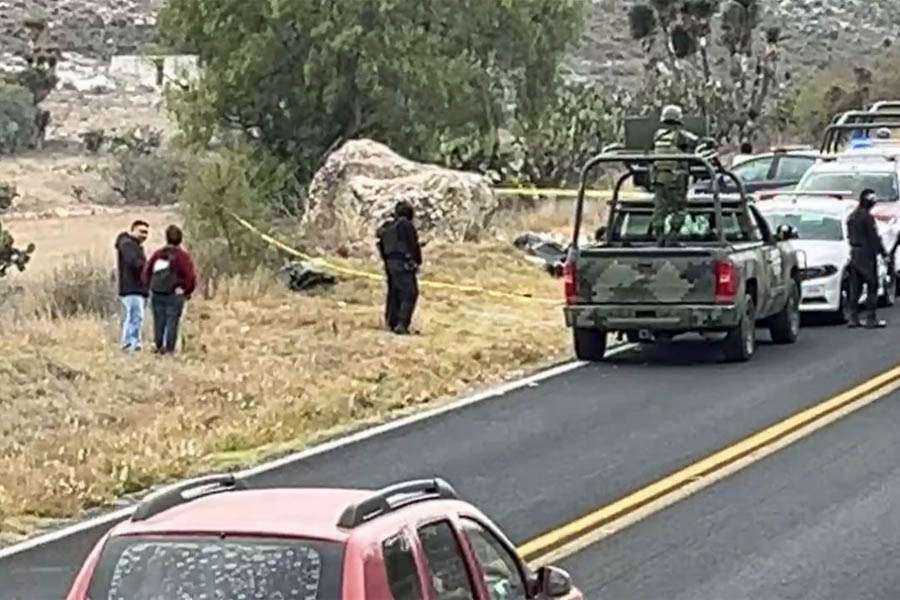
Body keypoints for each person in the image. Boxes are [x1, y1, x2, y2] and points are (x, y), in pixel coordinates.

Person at [142, 225, 197, 353]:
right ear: (180, 239)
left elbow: (146, 272)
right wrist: (187, 290)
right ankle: (169, 348)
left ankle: (158, 345)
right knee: (172, 321)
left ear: (166, 238)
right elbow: (190, 276)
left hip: (157, 292)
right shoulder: (182, 256)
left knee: (158, 320)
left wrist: (150, 286)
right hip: (175, 294)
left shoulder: (158, 254)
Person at [651, 104, 699, 245]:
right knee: (680, 209)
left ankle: (659, 239)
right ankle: (672, 238)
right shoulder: (680, 135)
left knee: (659, 210)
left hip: (659, 179)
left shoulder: (658, 135)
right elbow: (695, 141)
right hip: (675, 179)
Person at [376, 201, 422, 335]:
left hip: (390, 263)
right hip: (403, 262)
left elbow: (381, 244)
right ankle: (402, 324)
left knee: (394, 292)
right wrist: (415, 260)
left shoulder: (387, 227)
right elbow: (412, 244)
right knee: (410, 293)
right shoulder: (405, 224)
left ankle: (392, 321)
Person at [846, 188, 888, 328]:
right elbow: (874, 238)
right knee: (872, 286)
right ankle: (871, 319)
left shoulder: (851, 217)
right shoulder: (867, 218)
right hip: (866, 255)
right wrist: (883, 253)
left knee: (855, 288)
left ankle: (853, 318)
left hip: (854, 253)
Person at [115, 220, 149, 352]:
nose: (144, 235)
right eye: (141, 231)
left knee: (134, 316)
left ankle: (133, 343)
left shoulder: (131, 245)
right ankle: (130, 344)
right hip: (132, 287)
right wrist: (147, 266)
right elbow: (134, 263)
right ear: (132, 230)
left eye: (146, 233)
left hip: (135, 288)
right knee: (134, 316)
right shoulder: (128, 245)